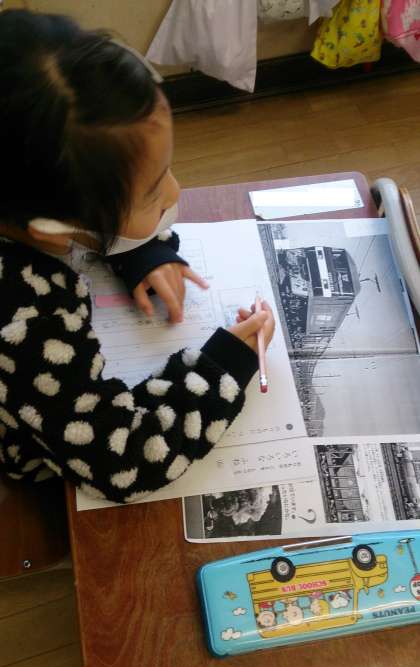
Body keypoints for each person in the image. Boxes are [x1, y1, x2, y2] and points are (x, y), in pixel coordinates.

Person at [0, 10, 275, 503]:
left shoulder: (27, 185)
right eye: (151, 195)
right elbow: (122, 458)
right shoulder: (24, 316)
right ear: (55, 225)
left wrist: (139, 250)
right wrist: (224, 365)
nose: (176, 191)